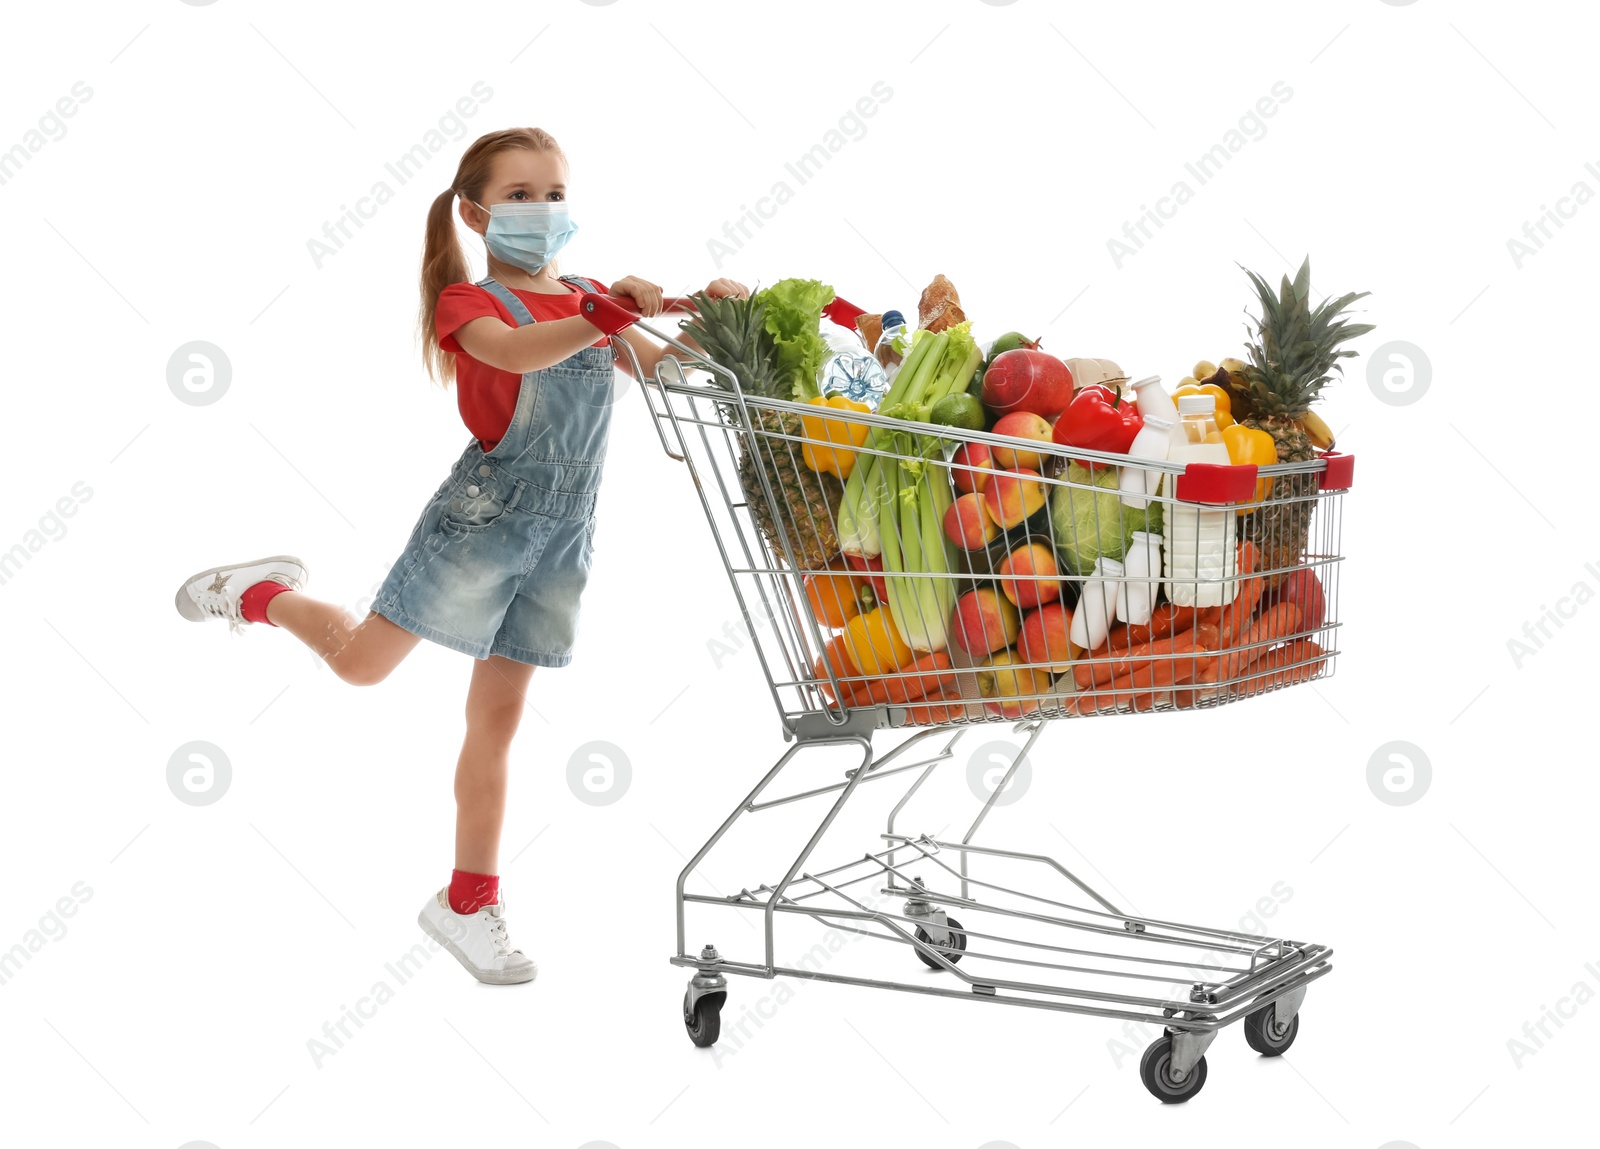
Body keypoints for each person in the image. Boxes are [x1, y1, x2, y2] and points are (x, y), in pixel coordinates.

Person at [172, 126, 748, 985]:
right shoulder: (470, 307)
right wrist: (605, 313)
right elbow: (519, 353)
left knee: (498, 720)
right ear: (476, 213)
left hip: (565, 533)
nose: (543, 209)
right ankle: (260, 595)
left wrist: (719, 317)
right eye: (519, 196)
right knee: (364, 664)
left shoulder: (587, 293)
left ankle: (468, 900)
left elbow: (664, 370)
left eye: (554, 192)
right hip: (485, 517)